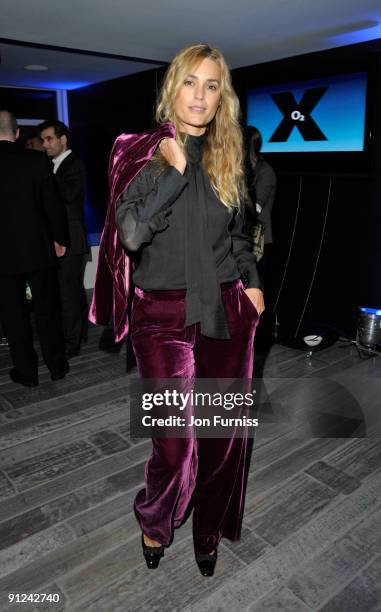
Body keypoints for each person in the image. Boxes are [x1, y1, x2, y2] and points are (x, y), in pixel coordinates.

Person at [91, 43, 265, 576]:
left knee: (223, 436)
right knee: (174, 443)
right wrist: (174, 171)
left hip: (226, 310)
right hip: (162, 318)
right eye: (191, 82)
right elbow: (133, 234)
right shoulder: (138, 150)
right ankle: (156, 517)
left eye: (212, 85)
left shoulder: (230, 156)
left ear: (223, 97)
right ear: (173, 88)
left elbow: (238, 238)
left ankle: (208, 529)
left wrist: (254, 285)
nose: (201, 95)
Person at [0, 110, 70, 386]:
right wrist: (60, 239)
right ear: (17, 133)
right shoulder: (37, 160)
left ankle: (27, 373)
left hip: (2, 257)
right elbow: (52, 206)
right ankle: (57, 366)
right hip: (38, 251)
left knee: (13, 316)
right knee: (47, 311)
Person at [39, 120, 89, 358]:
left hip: (71, 238)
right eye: (43, 139)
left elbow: (68, 195)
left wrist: (46, 178)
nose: (44, 144)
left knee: (67, 293)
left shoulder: (73, 164)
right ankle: (79, 334)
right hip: (62, 238)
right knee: (72, 290)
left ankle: (71, 343)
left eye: (49, 139)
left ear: (63, 140)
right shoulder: (52, 165)